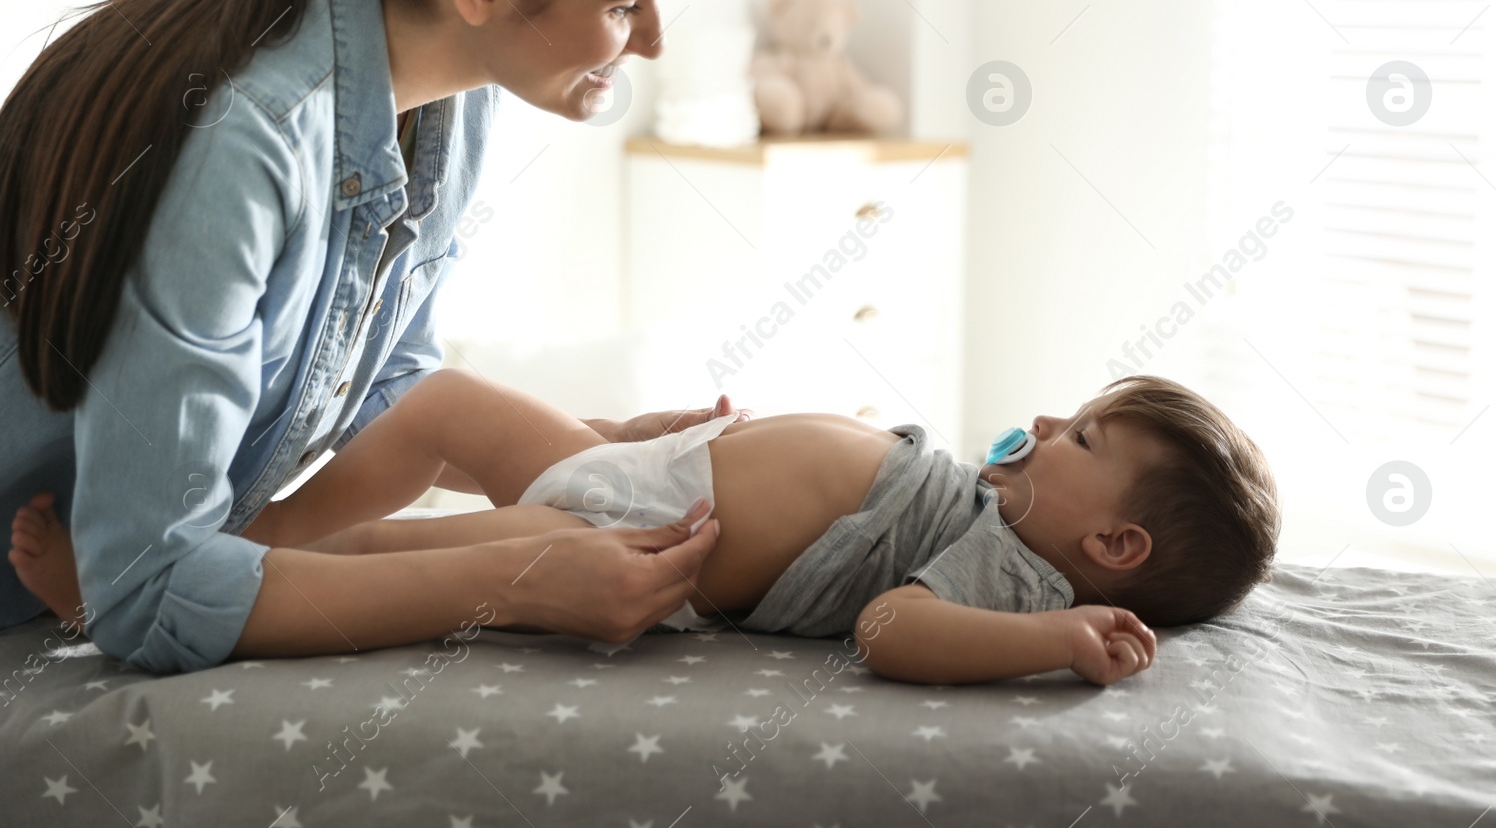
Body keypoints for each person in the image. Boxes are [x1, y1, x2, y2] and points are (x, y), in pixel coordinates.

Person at [0, 0, 738, 674]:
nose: (655, 40)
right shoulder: (247, 147)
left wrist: (592, 452)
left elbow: (382, 377)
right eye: (626, 3)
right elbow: (149, 592)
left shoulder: (449, 89)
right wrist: (518, 582)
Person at [13, 372, 1283, 685]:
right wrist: (648, 431)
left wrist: (1054, 642)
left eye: (1085, 441)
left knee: (374, 561)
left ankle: (127, 595)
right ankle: (224, 531)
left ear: (1114, 551)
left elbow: (891, 627)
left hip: (630, 539)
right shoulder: (1000, 499)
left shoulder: (1008, 578)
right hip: (650, 470)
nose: (1051, 420)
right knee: (437, 402)